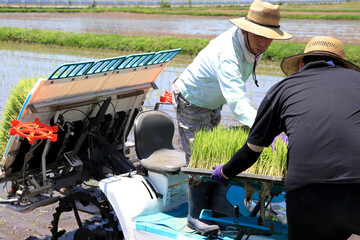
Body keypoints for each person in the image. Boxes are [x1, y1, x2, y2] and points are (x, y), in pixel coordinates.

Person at [211, 36, 360, 240]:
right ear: (343, 66)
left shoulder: (283, 88)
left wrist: (225, 172)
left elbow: (252, 150)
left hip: (306, 194)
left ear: (301, 64)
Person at [172, 0, 292, 235]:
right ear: (245, 29)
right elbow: (237, 103)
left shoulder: (252, 45)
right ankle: (194, 215)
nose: (263, 42)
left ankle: (217, 206)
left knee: (216, 154)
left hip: (213, 103)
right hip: (192, 102)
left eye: (269, 37)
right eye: (259, 36)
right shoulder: (228, 53)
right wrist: (268, 129)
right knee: (198, 159)